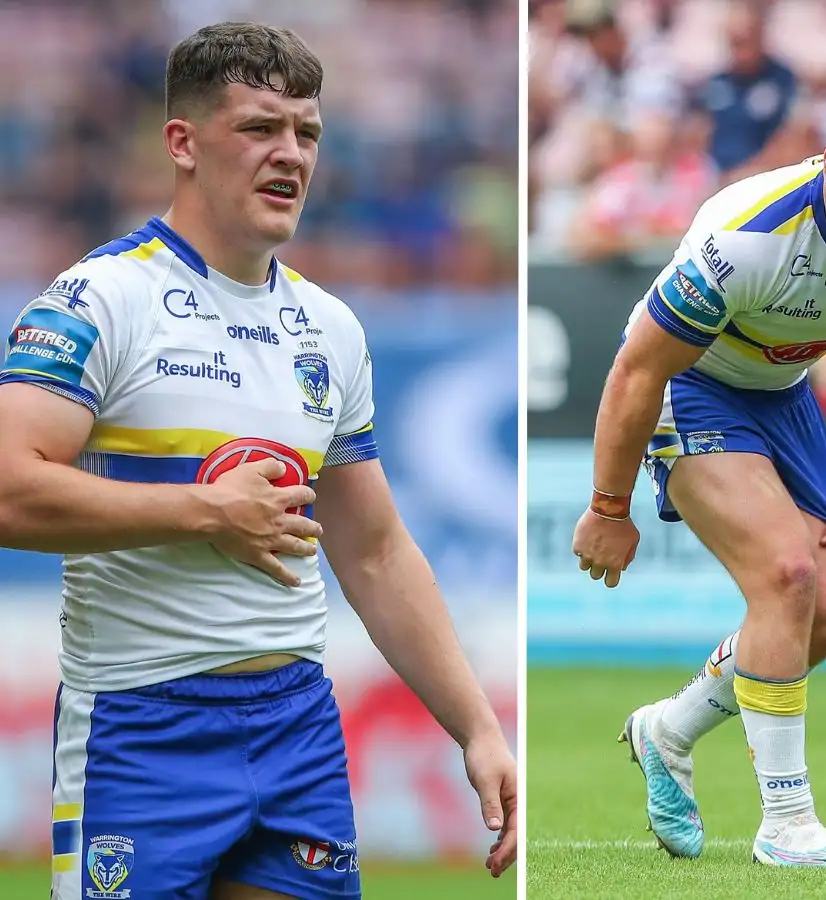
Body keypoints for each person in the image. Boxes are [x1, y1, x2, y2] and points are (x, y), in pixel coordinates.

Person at [0, 24, 517, 899]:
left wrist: (477, 728)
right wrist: (203, 513)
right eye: (260, 128)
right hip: (139, 729)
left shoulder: (331, 329)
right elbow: (9, 487)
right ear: (183, 142)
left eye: (307, 133)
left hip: (295, 726)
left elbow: (376, 549)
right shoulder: (100, 301)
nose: (291, 155)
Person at [570, 92, 826, 869]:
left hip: (782, 393)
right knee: (788, 573)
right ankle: (787, 826)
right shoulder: (748, 237)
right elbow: (636, 370)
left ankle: (669, 731)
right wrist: (608, 506)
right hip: (688, 384)